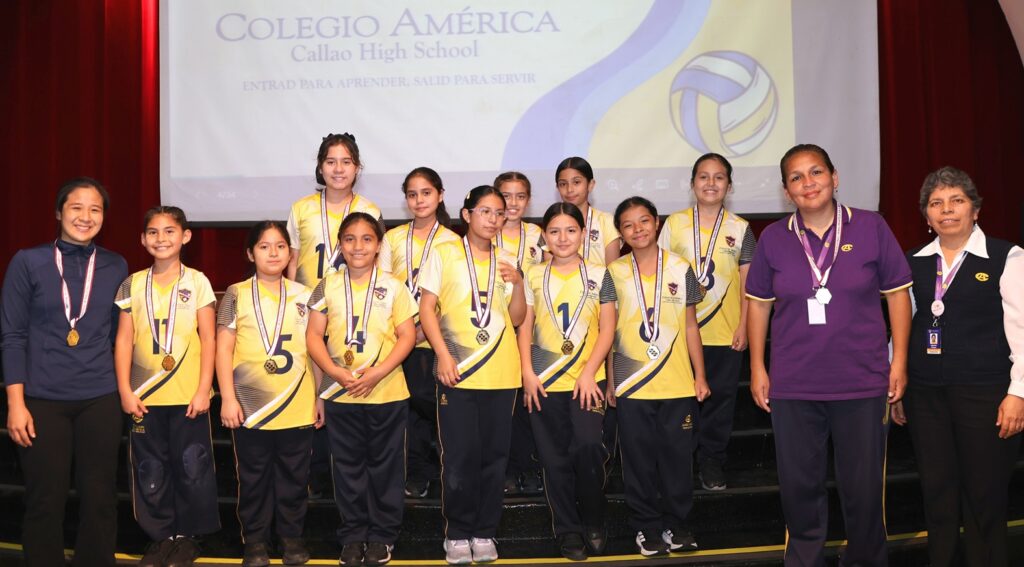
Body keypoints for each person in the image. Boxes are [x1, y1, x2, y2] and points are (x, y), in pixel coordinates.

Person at [746, 144, 912, 566]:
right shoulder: (774, 238)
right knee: (799, 487)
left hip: (862, 382)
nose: (808, 183)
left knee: (863, 489)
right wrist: (757, 367)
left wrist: (899, 361)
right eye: (796, 177)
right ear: (786, 190)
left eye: (816, 172)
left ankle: (866, 558)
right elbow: (759, 305)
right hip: (794, 385)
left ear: (835, 178)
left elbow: (898, 296)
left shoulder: (871, 226)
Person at [894, 166, 1024, 567]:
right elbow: (901, 329)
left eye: (957, 201)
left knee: (985, 496)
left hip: (987, 395)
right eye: (936, 203)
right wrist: (896, 386)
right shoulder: (911, 262)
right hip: (925, 396)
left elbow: (1022, 329)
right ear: (926, 215)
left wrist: (1018, 393)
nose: (946, 209)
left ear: (975, 209)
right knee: (937, 493)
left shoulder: (1007, 256)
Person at [2, 177, 128, 566]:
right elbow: (12, 335)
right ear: (59, 212)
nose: (85, 216)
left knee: (100, 498)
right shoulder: (28, 261)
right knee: (45, 498)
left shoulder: (116, 265)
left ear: (104, 217)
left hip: (100, 399)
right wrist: (15, 404)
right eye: (76, 207)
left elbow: (121, 335)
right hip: (42, 400)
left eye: (95, 209)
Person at [417, 186, 526, 565]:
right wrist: (442, 355)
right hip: (458, 373)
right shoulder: (444, 253)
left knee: (494, 458)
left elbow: (516, 318)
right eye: (485, 211)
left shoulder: (507, 259)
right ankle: (458, 533)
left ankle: (485, 531)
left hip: (502, 374)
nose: (493, 219)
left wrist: (519, 283)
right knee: (460, 456)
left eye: (499, 213)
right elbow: (427, 309)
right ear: (467, 214)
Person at [307, 213, 418, 567]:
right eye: (350, 239)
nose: (358, 246)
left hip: (386, 392)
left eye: (367, 239)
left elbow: (408, 336)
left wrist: (379, 372)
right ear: (340, 245)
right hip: (341, 393)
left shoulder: (395, 286)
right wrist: (335, 373)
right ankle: (353, 535)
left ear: (379, 245)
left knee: (386, 468)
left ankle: (383, 536)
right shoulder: (326, 285)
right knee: (348, 468)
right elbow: (313, 336)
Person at [114, 206, 220, 566]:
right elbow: (124, 340)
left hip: (189, 395)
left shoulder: (198, 281)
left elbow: (209, 338)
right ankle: (160, 536)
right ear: (143, 240)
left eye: (170, 231)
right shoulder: (132, 284)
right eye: (153, 232)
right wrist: (125, 390)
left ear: (185, 236)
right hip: (145, 397)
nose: (161, 239)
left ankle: (188, 537)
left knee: (193, 465)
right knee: (150, 468)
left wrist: (204, 389)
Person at [605, 196, 709, 557]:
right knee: (638, 461)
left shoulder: (681, 267)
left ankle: (677, 525)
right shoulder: (613, 272)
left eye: (644, 221)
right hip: (632, 384)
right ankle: (645, 526)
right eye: (628, 225)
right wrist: (611, 380)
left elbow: (691, 326)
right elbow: (609, 332)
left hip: (677, 383)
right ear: (621, 234)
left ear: (657, 223)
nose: (638, 229)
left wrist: (700, 375)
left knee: (677, 460)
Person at [517, 202, 615, 560]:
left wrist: (590, 372)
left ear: (583, 234)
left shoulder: (600, 274)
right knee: (554, 459)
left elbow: (608, 329)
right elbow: (525, 327)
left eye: (571, 230)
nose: (562, 238)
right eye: (555, 231)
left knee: (588, 448)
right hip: (544, 382)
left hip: (587, 381)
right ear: (544, 236)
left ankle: (593, 519)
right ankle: (568, 530)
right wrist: (527, 373)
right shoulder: (532, 275)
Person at [215, 221, 316, 567]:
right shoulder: (235, 293)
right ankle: (255, 541)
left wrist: (319, 397)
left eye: (280, 246)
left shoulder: (306, 295)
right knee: (253, 477)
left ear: (290, 253)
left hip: (297, 403)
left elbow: (315, 350)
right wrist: (227, 398)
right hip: (249, 406)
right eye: (264, 246)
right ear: (250, 253)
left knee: (294, 477)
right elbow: (223, 349)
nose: (273, 253)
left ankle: (291, 537)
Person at [286, 132, 381, 498]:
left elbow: (376, 263)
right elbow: (293, 261)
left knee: (343, 394)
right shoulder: (301, 208)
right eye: (331, 161)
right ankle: (312, 476)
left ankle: (348, 478)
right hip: (309, 314)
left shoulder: (370, 209)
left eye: (346, 162)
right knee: (311, 394)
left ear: (357, 168)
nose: (338, 169)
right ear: (320, 167)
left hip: (351, 315)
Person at [657, 153, 756, 490]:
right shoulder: (674, 223)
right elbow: (660, 272)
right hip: (680, 332)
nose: (710, 183)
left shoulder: (741, 228)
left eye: (718, 177)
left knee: (719, 402)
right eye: (703, 176)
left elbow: (749, 282)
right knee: (681, 403)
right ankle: (679, 461)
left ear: (729, 185)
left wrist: (744, 325)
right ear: (692, 183)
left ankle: (712, 460)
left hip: (725, 332)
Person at [377, 167, 459, 500]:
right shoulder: (393, 238)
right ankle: (417, 474)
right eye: (412, 194)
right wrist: (405, 332)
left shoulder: (453, 242)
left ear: (440, 195)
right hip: (399, 338)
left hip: (434, 340)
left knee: (437, 409)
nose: (419, 200)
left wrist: (424, 331)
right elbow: (382, 289)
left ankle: (447, 472)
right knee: (409, 413)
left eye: (426, 193)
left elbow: (454, 295)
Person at [493, 171, 545, 496]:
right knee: (503, 407)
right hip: (493, 329)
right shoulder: (486, 231)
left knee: (530, 403)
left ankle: (530, 465)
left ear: (529, 200)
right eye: (506, 196)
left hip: (532, 329)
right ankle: (508, 469)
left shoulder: (539, 234)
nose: (512, 202)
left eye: (520, 196)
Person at [555, 157, 620, 267]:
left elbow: (613, 270)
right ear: (557, 187)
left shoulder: (606, 220)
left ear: (590, 184)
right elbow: (549, 267)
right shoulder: (551, 221)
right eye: (563, 184)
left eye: (576, 182)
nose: (569, 189)